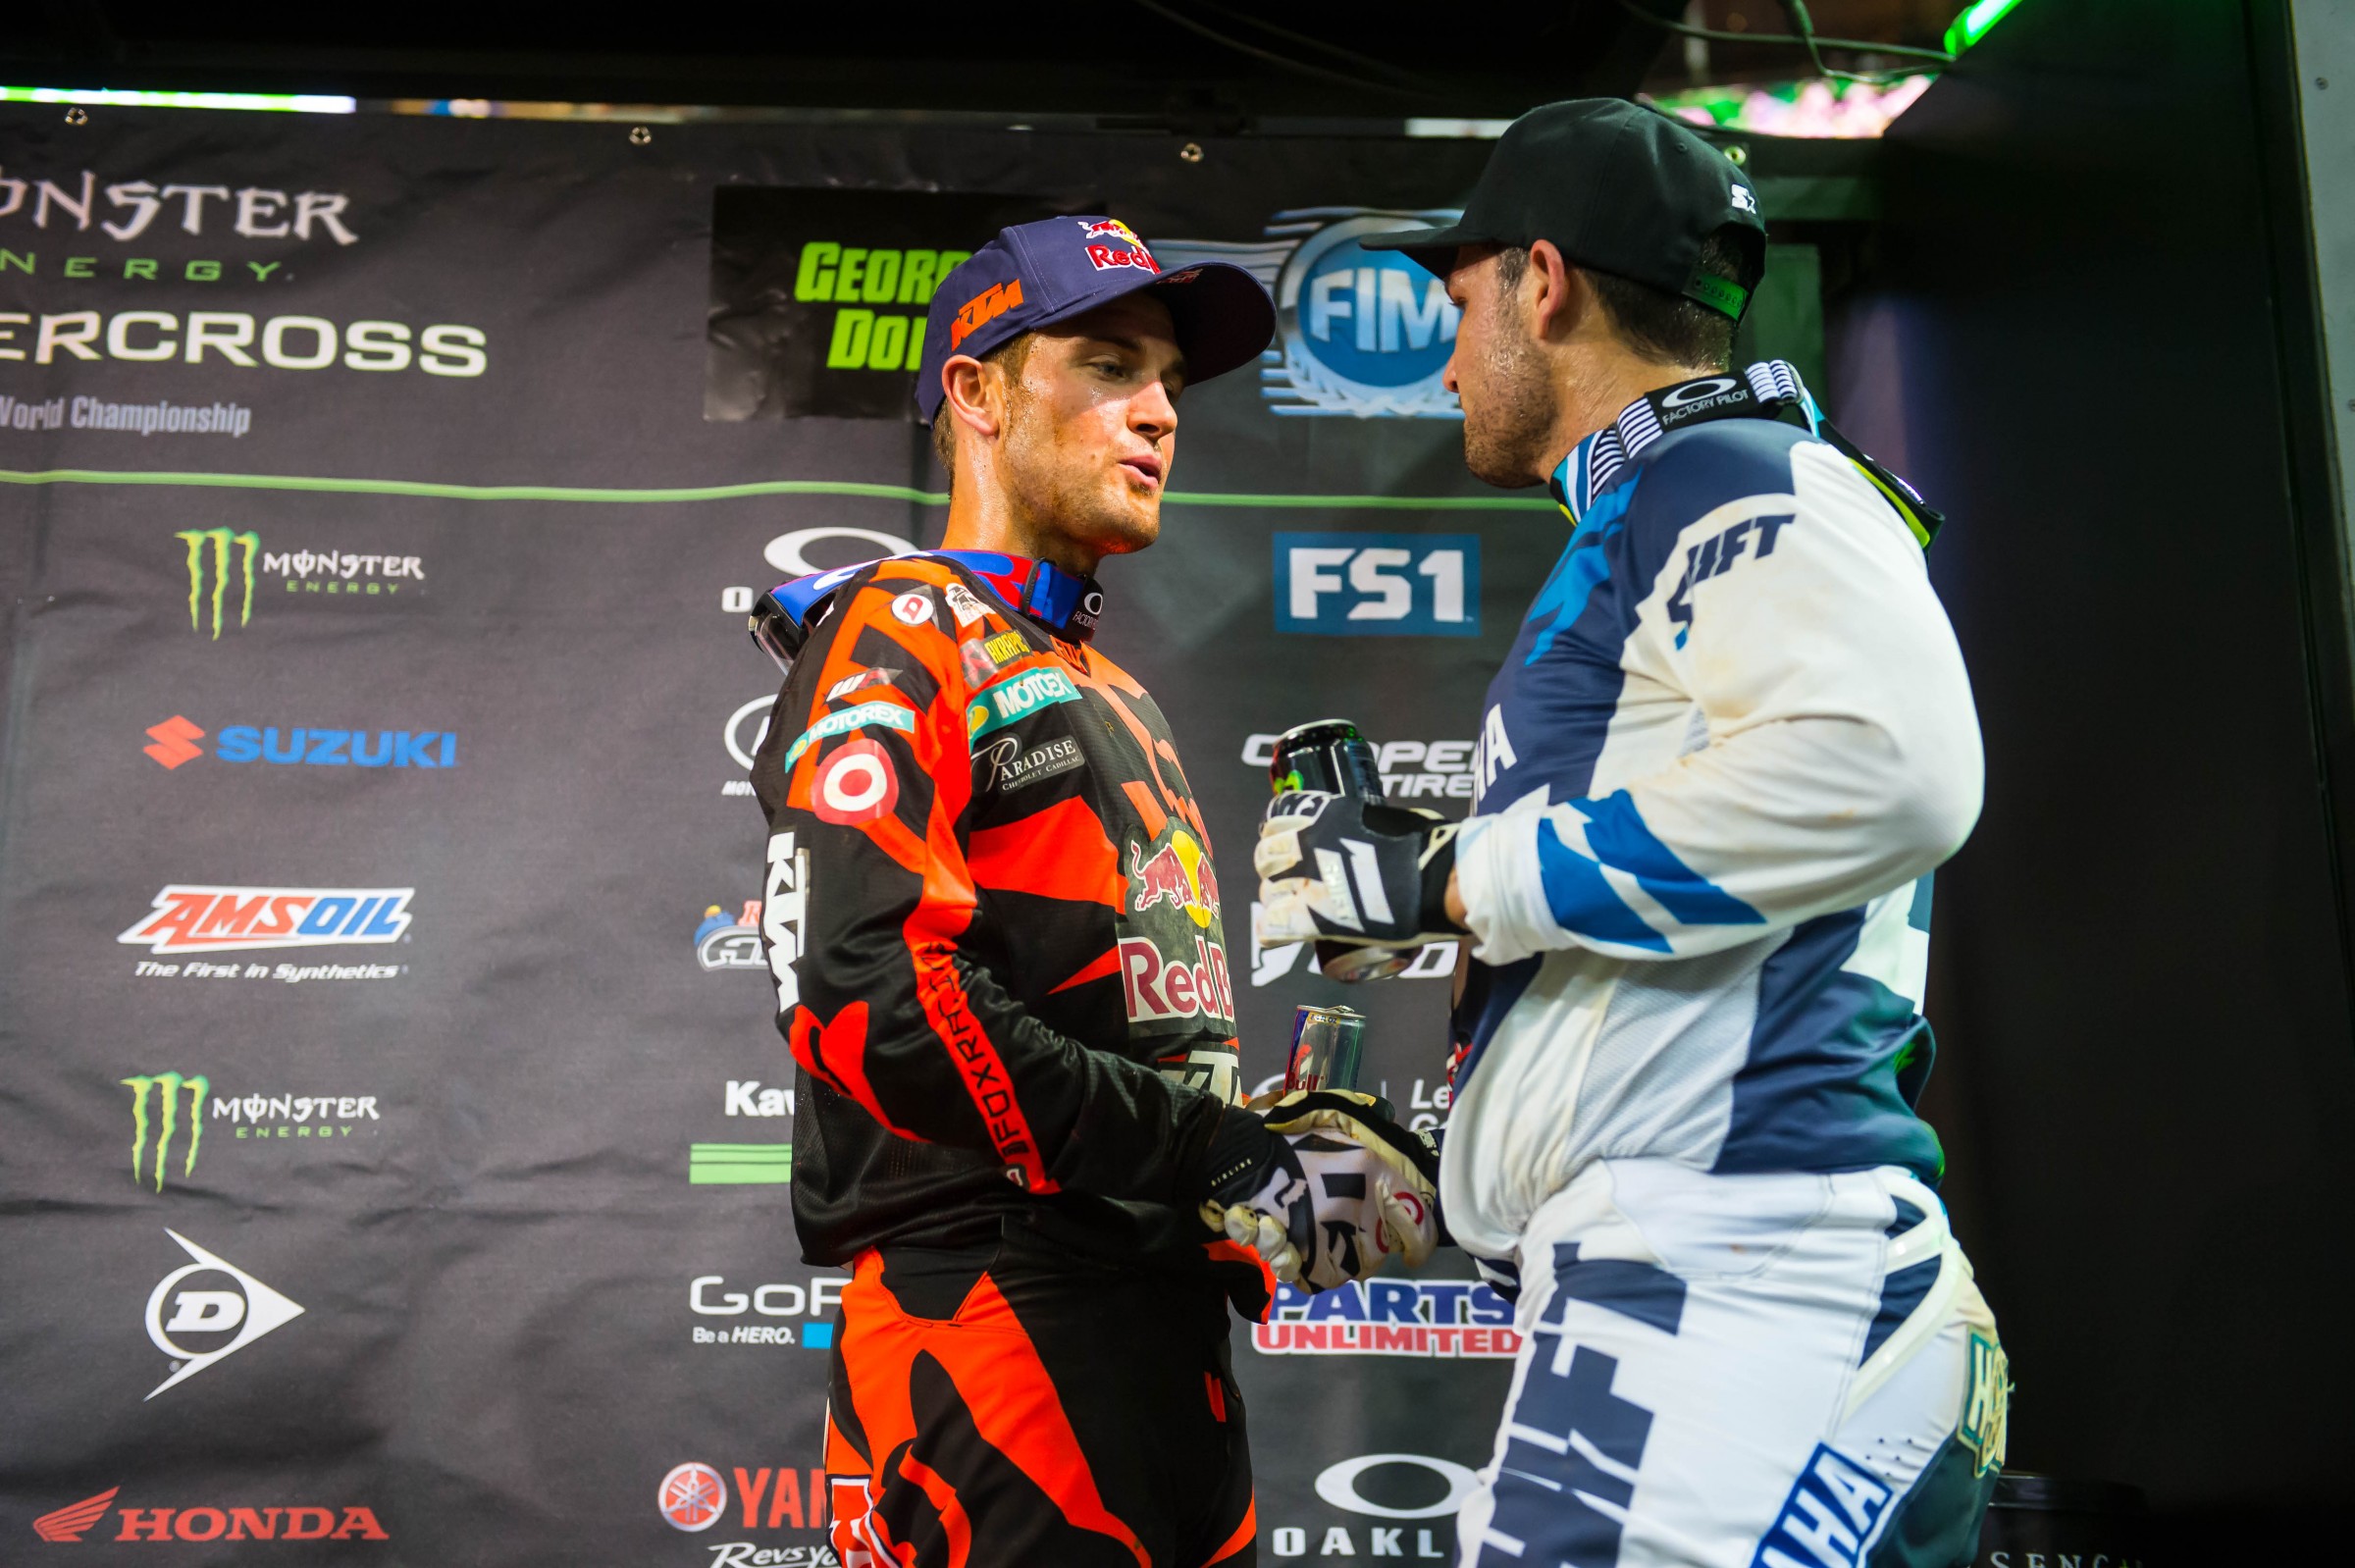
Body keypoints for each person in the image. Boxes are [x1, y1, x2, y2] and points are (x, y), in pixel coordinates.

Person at [1253, 101, 2010, 1566]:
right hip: (1710, 1289)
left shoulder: (1723, 474)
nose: (1450, 361)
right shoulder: (1665, 509)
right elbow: (1686, 980)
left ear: (1542, 282)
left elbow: (1894, 769)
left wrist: (1450, 875)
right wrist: (1440, 1171)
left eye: (1458, 307)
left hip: (1743, 1287)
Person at [747, 215, 1439, 1568]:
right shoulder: (897, 629)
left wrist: (1271, 1160)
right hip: (990, 1324)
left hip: (1159, 1329)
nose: (1161, 412)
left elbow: (1121, 1041)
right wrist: (1202, 1149)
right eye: (1112, 366)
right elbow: (867, 995)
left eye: (1170, 380)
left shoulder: (1110, 683)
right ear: (979, 392)